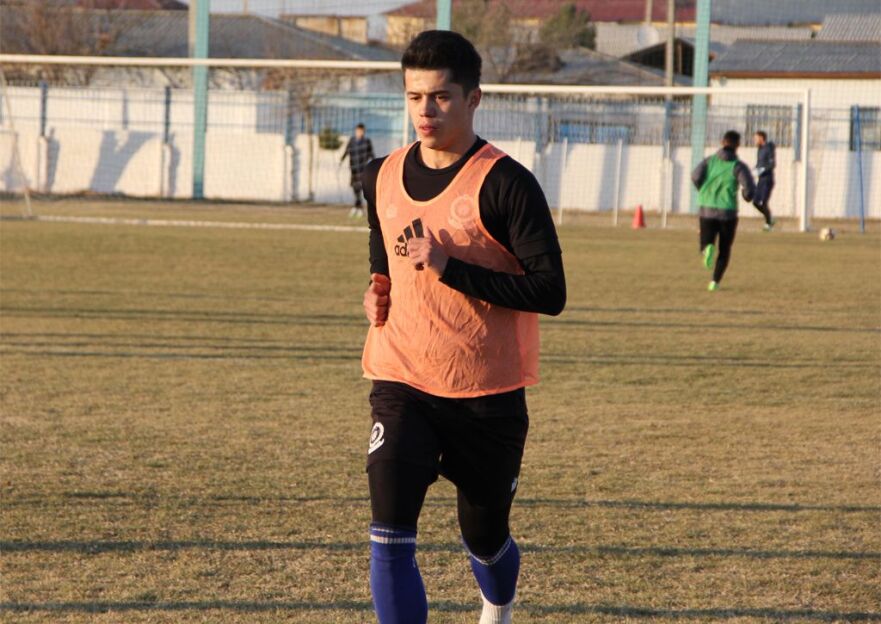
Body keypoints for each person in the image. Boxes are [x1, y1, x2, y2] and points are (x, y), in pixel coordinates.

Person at [360, 30, 566, 624]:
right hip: (402, 379)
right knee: (389, 533)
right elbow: (383, 244)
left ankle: (497, 605)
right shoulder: (379, 174)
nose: (425, 110)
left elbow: (549, 292)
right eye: (414, 97)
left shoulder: (507, 183)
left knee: (484, 537)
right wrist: (377, 286)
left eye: (441, 97)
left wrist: (450, 268)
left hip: (486, 395)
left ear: (473, 98)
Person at [692, 130, 756, 291]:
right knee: (725, 249)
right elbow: (749, 188)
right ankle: (714, 282)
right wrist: (746, 196)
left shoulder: (709, 161)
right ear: (738, 145)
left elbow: (695, 176)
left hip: (707, 208)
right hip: (728, 211)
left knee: (705, 241)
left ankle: (707, 248)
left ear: (722, 142)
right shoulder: (738, 166)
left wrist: (703, 190)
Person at [341, 123, 375, 218]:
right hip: (353, 169)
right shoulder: (352, 141)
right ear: (356, 131)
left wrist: (374, 164)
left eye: (361, 131)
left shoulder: (367, 142)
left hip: (362, 169)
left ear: (363, 132)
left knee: (360, 187)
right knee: (354, 187)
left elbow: (371, 154)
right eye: (358, 131)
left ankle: (358, 208)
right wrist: (341, 160)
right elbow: (346, 151)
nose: (359, 133)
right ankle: (357, 207)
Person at [752, 130, 776, 231]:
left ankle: (768, 224)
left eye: (756, 138)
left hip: (767, 180)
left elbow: (772, 164)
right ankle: (770, 218)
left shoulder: (769, 148)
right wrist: (754, 170)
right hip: (761, 180)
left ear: (761, 138)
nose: (754, 140)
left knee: (763, 202)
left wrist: (762, 170)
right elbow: (759, 163)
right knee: (755, 202)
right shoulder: (760, 149)